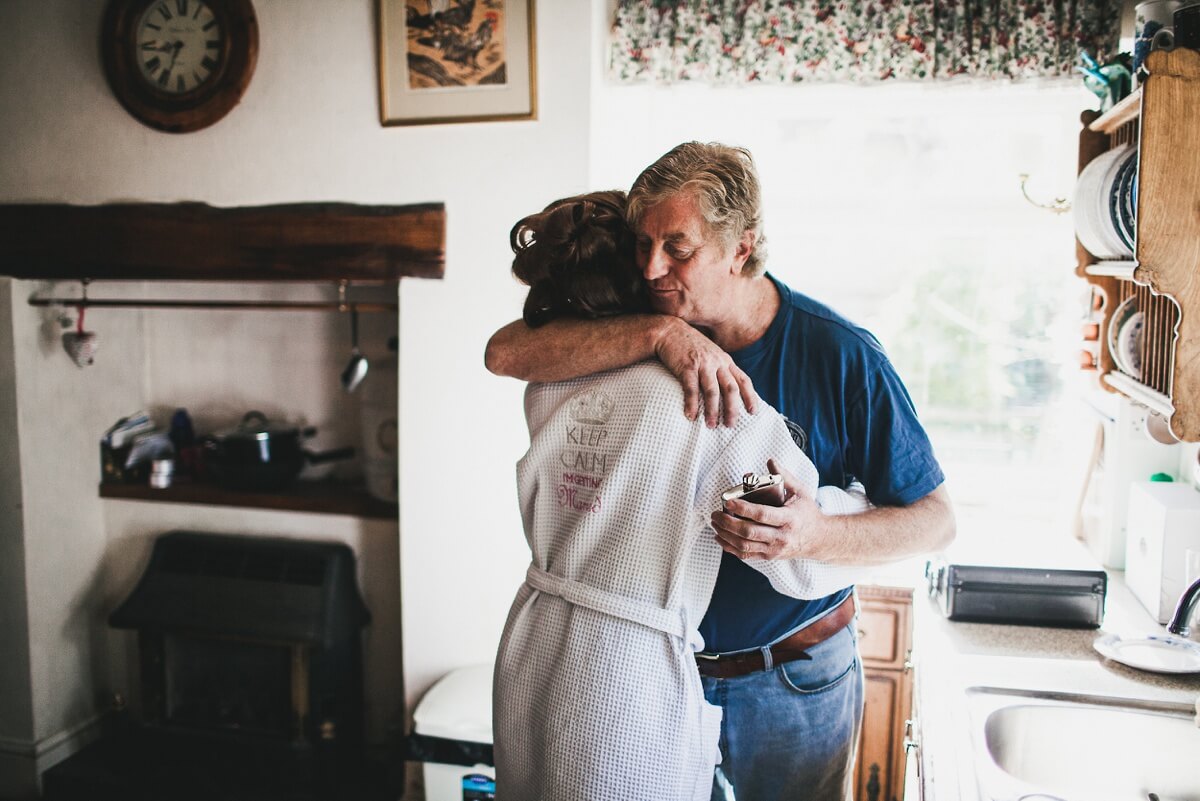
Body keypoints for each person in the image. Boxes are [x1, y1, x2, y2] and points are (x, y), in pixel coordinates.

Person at [486, 143, 955, 801]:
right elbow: (506, 350)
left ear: (742, 247)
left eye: (678, 249)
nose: (650, 267)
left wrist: (813, 535)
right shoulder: (629, 338)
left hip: (790, 679)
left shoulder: (841, 355)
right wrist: (660, 336)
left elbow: (935, 521)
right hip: (654, 675)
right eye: (641, 244)